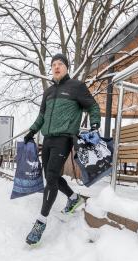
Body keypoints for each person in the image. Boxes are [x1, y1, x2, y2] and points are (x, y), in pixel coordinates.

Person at [24, 53, 101, 245]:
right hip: (48, 138)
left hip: (64, 138)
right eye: (53, 65)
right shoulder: (48, 92)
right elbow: (41, 116)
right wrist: (32, 131)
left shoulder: (76, 87)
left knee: (51, 176)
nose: (56, 67)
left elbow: (93, 106)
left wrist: (95, 124)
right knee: (51, 176)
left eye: (60, 64)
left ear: (67, 67)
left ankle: (41, 222)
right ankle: (74, 198)